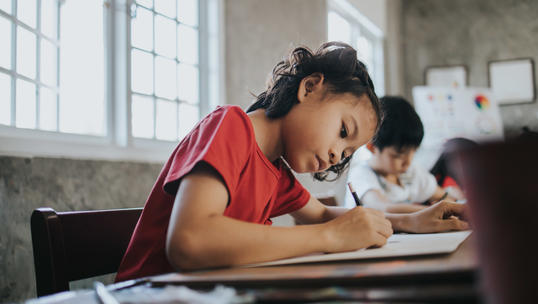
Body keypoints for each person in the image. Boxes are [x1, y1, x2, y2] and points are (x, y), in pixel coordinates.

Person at [115, 43, 468, 282]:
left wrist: (411, 222)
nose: (336, 155)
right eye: (343, 130)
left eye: (347, 154)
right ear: (310, 87)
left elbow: (323, 213)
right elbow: (190, 242)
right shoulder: (230, 127)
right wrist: (329, 237)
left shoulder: (276, 171)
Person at [345, 96, 465, 213]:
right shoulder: (362, 175)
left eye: (414, 152)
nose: (408, 162)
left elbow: (444, 196)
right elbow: (383, 208)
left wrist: (452, 201)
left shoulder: (411, 174)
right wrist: (431, 211)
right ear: (372, 147)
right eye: (398, 155)